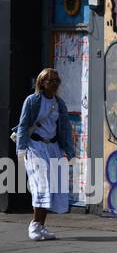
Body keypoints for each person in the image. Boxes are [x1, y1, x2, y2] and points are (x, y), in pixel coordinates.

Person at [15, 69, 75, 241]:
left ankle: (41, 226)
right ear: (42, 83)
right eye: (51, 81)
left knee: (53, 188)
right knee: (42, 185)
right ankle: (34, 225)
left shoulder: (59, 104)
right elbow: (23, 125)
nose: (55, 84)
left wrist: (69, 151)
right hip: (35, 146)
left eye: (57, 81)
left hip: (53, 147)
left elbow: (64, 128)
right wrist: (21, 150)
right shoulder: (32, 101)